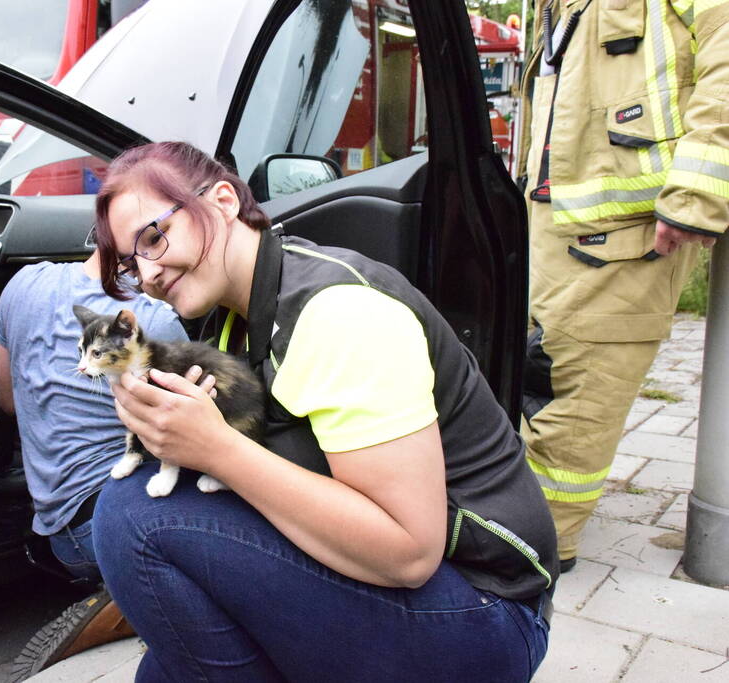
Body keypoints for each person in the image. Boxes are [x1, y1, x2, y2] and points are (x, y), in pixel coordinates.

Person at [89, 141, 557, 681]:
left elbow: (409, 553)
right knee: (167, 666)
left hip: (483, 611)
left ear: (223, 200)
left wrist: (216, 449)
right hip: (407, 589)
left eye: (153, 237)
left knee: (135, 516)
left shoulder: (337, 312)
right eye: (128, 263)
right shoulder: (230, 321)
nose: (145, 274)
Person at [517, 0, 729, 572]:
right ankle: (524, 521)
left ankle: (539, 545)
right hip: (560, 223)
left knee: (577, 387)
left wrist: (695, 195)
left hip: (628, 229)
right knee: (544, 372)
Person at [0, 246, 193, 670]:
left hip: (55, 531)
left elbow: (8, 400)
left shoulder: (21, 283)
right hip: (112, 528)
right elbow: (190, 437)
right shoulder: (149, 319)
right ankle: (129, 600)